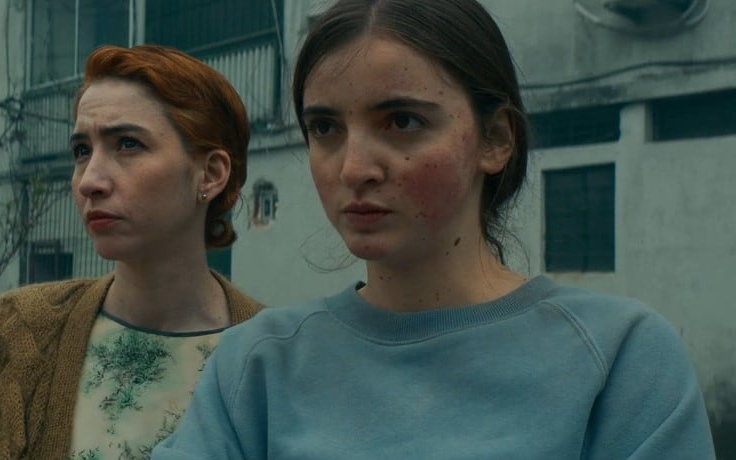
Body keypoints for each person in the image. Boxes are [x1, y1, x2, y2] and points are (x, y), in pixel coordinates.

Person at [152, 0, 716, 458]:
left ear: (495, 139)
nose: (353, 168)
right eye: (324, 128)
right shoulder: (255, 365)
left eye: (402, 121)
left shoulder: (621, 358)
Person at [0, 45, 263, 460]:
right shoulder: (18, 330)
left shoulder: (277, 357)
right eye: (82, 151)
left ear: (211, 174)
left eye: (127, 144)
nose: (89, 180)